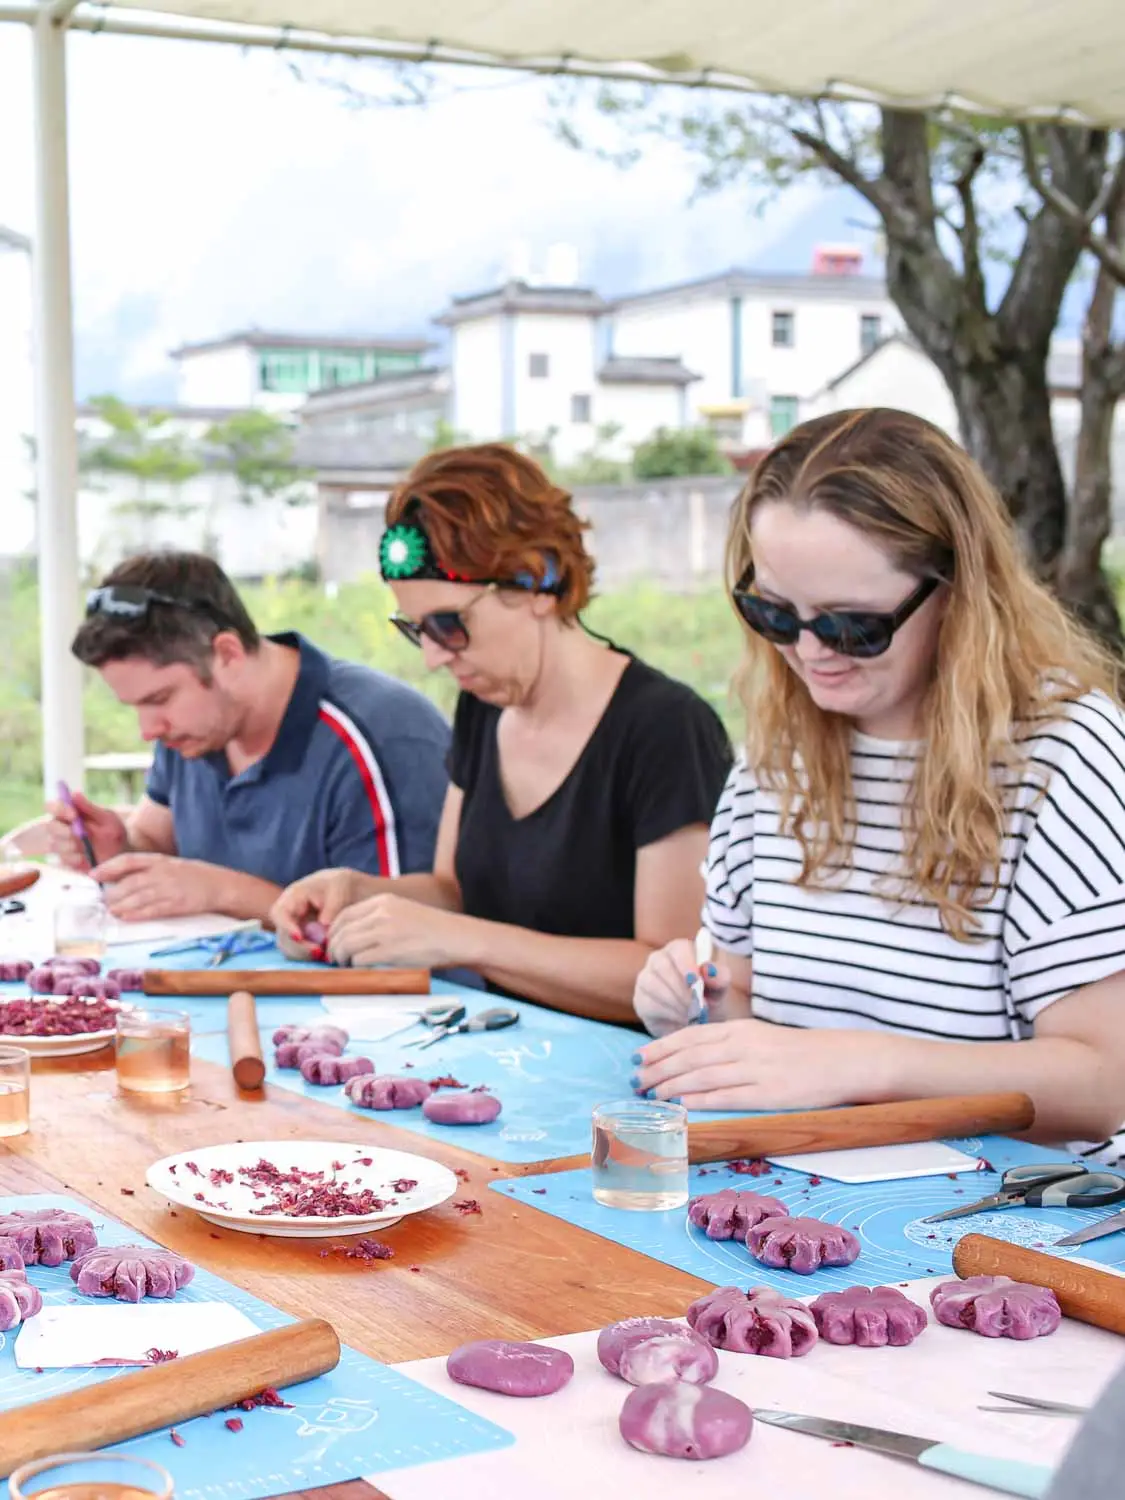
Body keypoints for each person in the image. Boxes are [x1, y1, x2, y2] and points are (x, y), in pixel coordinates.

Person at [631, 407, 1125, 1147]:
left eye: (851, 626)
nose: (808, 652)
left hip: (1011, 1199)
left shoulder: (1059, 756)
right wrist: (695, 1010)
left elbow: (1101, 1086)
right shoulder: (778, 751)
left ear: (956, 595)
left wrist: (861, 1065)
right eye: (773, 613)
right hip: (814, 1176)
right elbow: (746, 1004)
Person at [271, 443, 732, 1023]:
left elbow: (676, 978)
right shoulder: (484, 709)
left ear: (537, 580)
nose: (434, 657)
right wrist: (356, 893)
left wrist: (465, 940)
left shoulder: (666, 729)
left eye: (449, 625)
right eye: (417, 631)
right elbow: (454, 891)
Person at [48, 551, 451, 924]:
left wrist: (220, 891)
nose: (147, 729)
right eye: (134, 706)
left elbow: (399, 929)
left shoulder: (381, 737)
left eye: (159, 699)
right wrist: (118, 849)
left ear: (228, 654)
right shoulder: (192, 729)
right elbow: (156, 838)